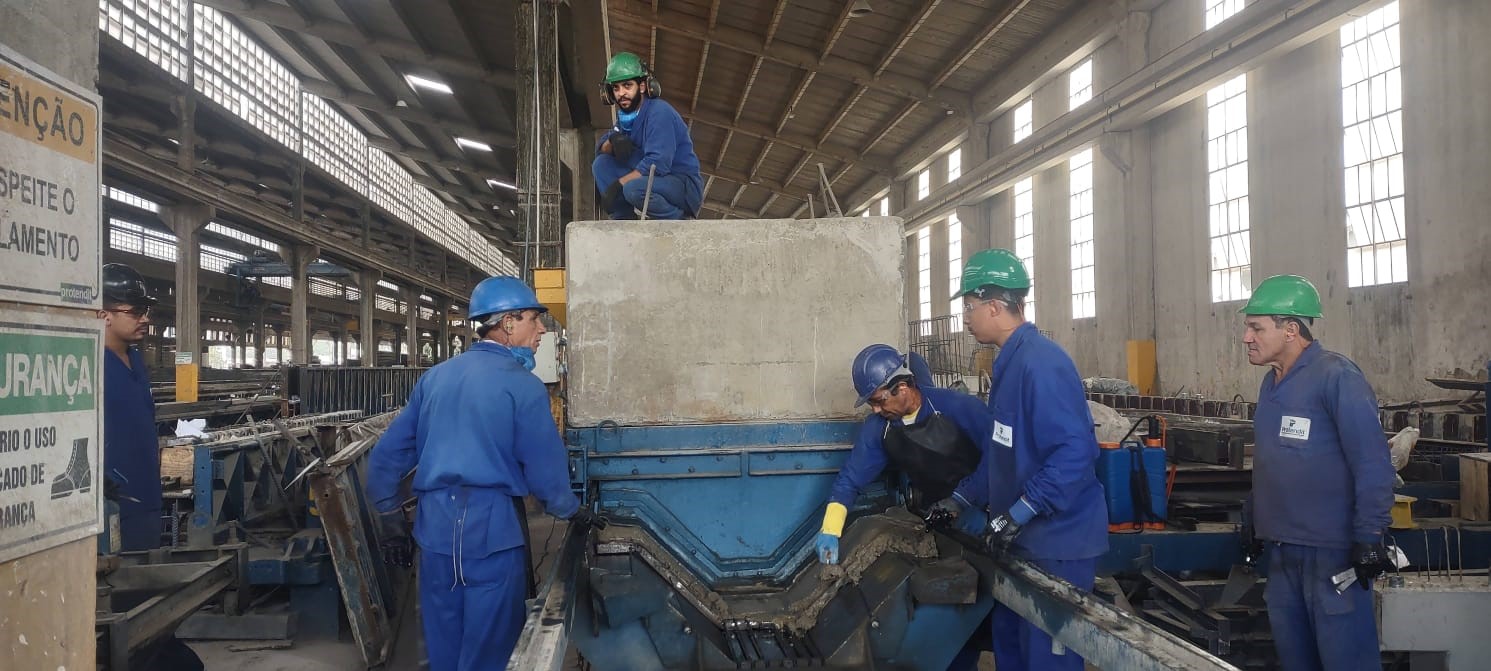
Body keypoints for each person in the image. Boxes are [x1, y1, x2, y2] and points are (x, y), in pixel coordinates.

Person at [367, 276, 605, 670]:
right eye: (534, 320)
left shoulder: (434, 379)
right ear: (508, 323)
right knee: (492, 647)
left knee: (444, 642)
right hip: (492, 531)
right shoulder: (522, 387)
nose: (542, 330)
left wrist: (390, 516)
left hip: (436, 532)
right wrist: (571, 510)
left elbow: (388, 456)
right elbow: (545, 468)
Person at [947, 248, 1108, 671]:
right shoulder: (1007, 363)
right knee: (1013, 654)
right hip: (1019, 543)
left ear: (995, 306)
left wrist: (1019, 512)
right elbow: (1002, 452)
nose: (965, 317)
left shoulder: (1042, 363)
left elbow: (1076, 454)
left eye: (969, 306)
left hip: (1056, 545)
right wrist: (959, 501)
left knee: (1046, 661)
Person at [1240, 274, 1394, 671]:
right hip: (1280, 551)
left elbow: (1372, 461)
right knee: (1297, 661)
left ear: (1291, 330)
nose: (1246, 337)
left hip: (1331, 554)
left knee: (1346, 660)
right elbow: (1276, 456)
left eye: (1256, 327)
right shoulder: (1270, 385)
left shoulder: (1336, 377)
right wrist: (1255, 513)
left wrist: (1369, 535)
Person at [98, 262, 204, 670]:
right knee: (119, 611)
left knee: (145, 606)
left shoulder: (135, 360)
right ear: (103, 313)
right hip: (111, 511)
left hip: (144, 503)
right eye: (134, 310)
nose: (145, 319)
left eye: (147, 311)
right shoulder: (89, 364)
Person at [815, 345, 989, 567]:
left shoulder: (957, 406)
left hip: (987, 508)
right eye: (871, 404)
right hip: (943, 517)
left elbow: (1000, 457)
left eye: (879, 401)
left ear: (903, 387)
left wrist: (966, 499)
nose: (876, 410)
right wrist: (830, 529)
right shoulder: (879, 429)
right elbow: (850, 480)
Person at [592, 52, 703, 220]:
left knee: (633, 188)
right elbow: (601, 149)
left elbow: (658, 163)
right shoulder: (625, 119)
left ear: (642, 86)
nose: (621, 93)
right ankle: (623, 221)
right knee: (601, 164)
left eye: (627, 86)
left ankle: (678, 220)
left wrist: (619, 184)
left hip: (681, 184)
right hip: (655, 179)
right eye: (616, 88)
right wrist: (612, 141)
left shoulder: (659, 112)